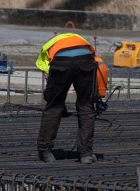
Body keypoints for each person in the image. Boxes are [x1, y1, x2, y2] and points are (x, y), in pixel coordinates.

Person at [35, 33, 109, 163]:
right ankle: (86, 154)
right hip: (85, 59)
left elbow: (50, 91)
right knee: (86, 106)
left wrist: (57, 104)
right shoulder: (81, 41)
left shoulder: (46, 53)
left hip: (61, 61)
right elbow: (97, 67)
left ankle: (45, 151)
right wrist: (96, 97)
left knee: (53, 107)